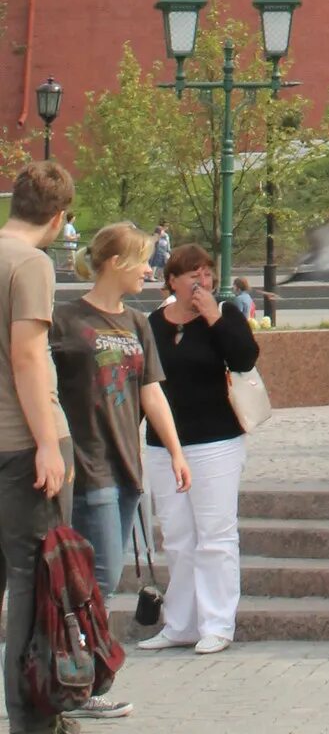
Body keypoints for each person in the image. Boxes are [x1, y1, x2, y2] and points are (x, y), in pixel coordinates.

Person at [52, 222, 191, 692]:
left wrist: (175, 451)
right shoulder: (65, 320)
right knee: (101, 577)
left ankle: (82, 674)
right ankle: (82, 677)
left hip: (127, 464)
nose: (151, 269)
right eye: (143, 260)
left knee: (98, 580)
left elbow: (151, 393)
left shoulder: (136, 322)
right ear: (114, 263)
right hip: (87, 464)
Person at [140, 243, 260, 656]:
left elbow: (245, 358)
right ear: (172, 280)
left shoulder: (223, 316)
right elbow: (143, 386)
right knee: (177, 536)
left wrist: (213, 316)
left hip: (216, 440)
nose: (202, 281)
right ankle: (180, 623)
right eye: (193, 274)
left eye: (207, 273)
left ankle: (217, 623)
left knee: (215, 535)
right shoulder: (152, 324)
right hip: (164, 444)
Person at [0, 161, 75, 734]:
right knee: (35, 578)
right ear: (57, 217)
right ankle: (32, 716)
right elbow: (27, 356)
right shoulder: (30, 263)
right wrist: (47, 444)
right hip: (23, 444)